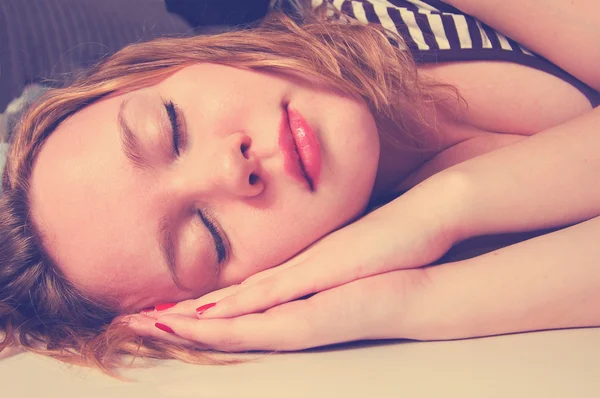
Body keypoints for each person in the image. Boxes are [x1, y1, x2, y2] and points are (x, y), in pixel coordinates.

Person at [1, 0, 599, 372]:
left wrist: (448, 204)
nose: (232, 169)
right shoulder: (420, 254)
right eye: (207, 236)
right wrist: (408, 295)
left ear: (169, 65)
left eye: (172, 128)